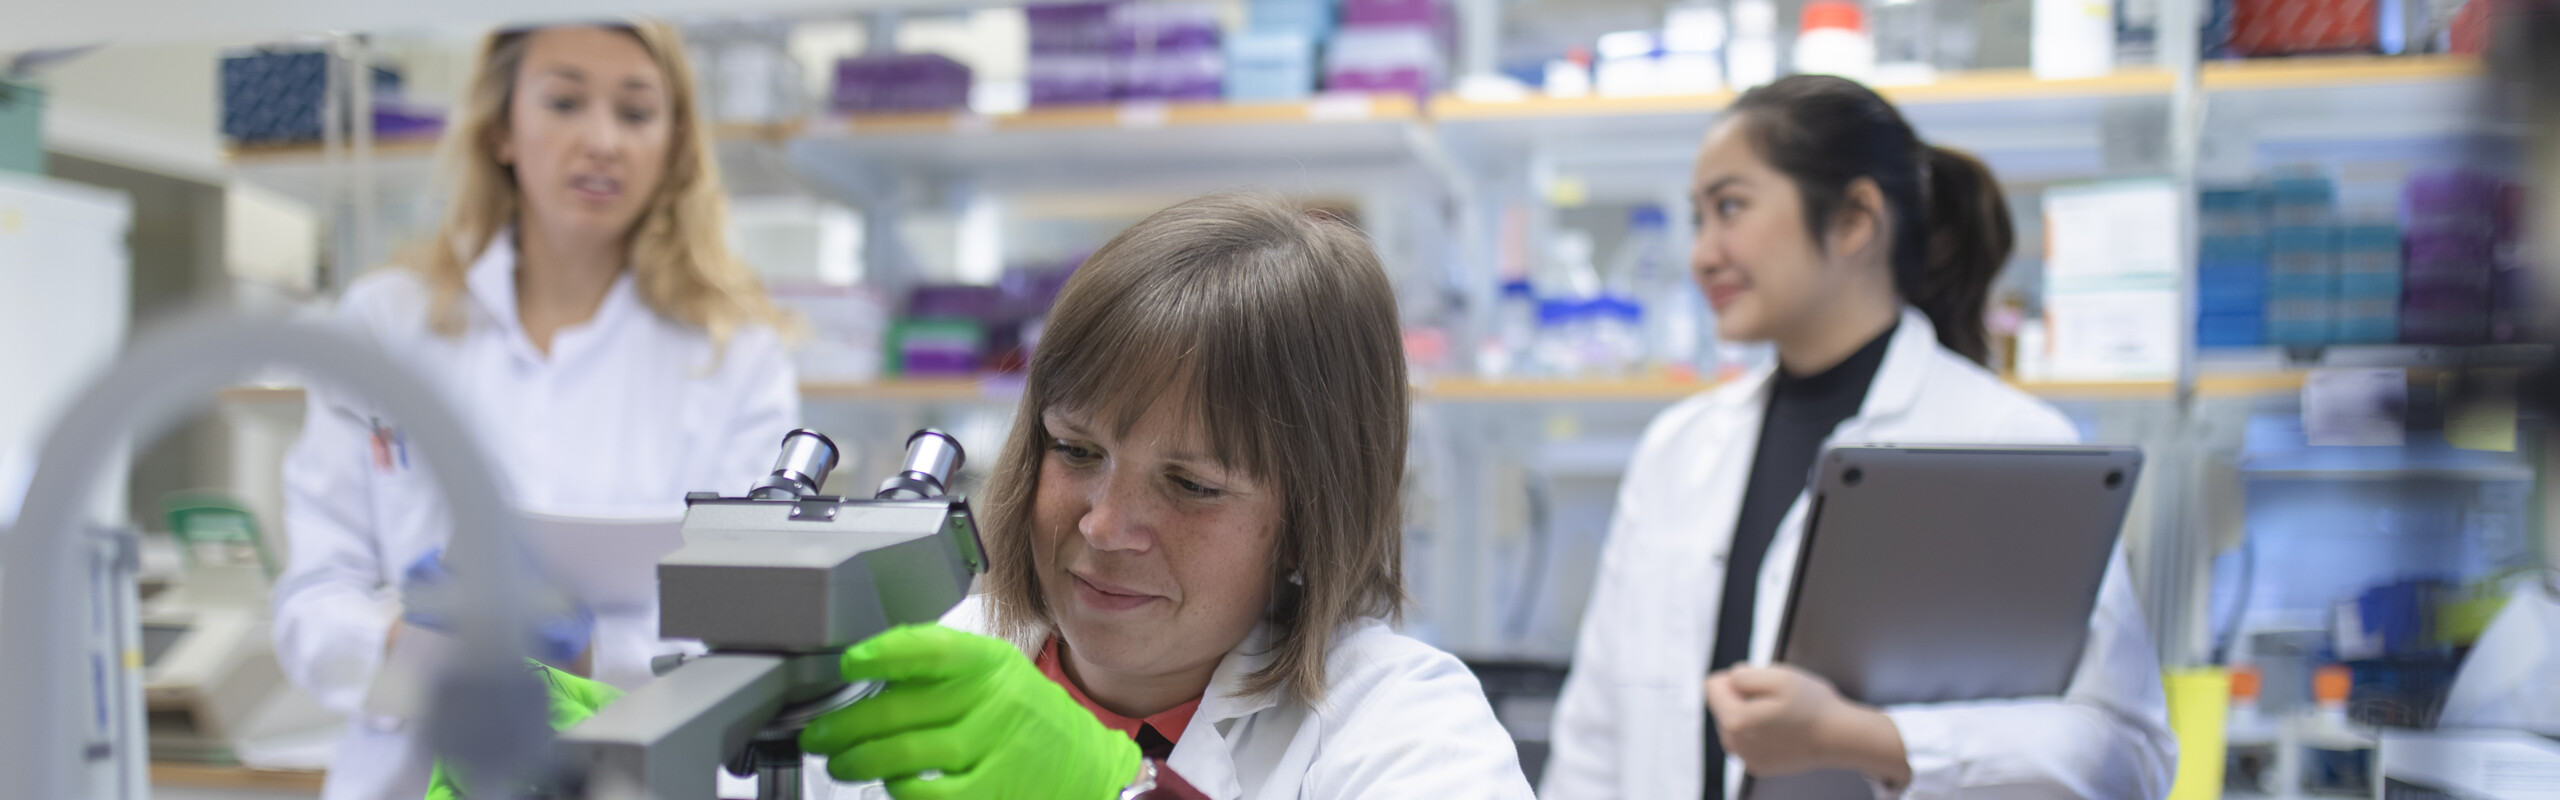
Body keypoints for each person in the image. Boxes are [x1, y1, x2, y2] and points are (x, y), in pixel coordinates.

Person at [468, 194, 1536, 800]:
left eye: (1191, 484)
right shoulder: (928, 662)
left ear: (1310, 514)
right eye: (1076, 449)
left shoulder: (1401, 726)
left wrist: (1113, 790)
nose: (1104, 526)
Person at [1540, 75, 2177, 799]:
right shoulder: (1677, 449)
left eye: (1731, 208)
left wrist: (1864, 738)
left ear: (1853, 221)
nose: (1702, 254)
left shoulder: (2012, 440)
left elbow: (2127, 755)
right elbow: (1594, 742)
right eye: (1698, 219)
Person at [270, 21, 798, 800]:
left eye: (635, 112)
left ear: (675, 144)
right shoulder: (385, 323)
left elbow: (755, 624)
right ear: (501, 130)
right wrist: (418, 648)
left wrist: (589, 662)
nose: (602, 141)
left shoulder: (735, 351)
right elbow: (313, 601)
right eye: (564, 102)